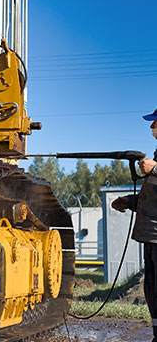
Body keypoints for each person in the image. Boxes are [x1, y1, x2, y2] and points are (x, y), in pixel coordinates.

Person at [112, 107, 157, 341]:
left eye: (156, 122)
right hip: (151, 235)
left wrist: (155, 169)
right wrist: (129, 201)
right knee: (152, 291)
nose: (152, 127)